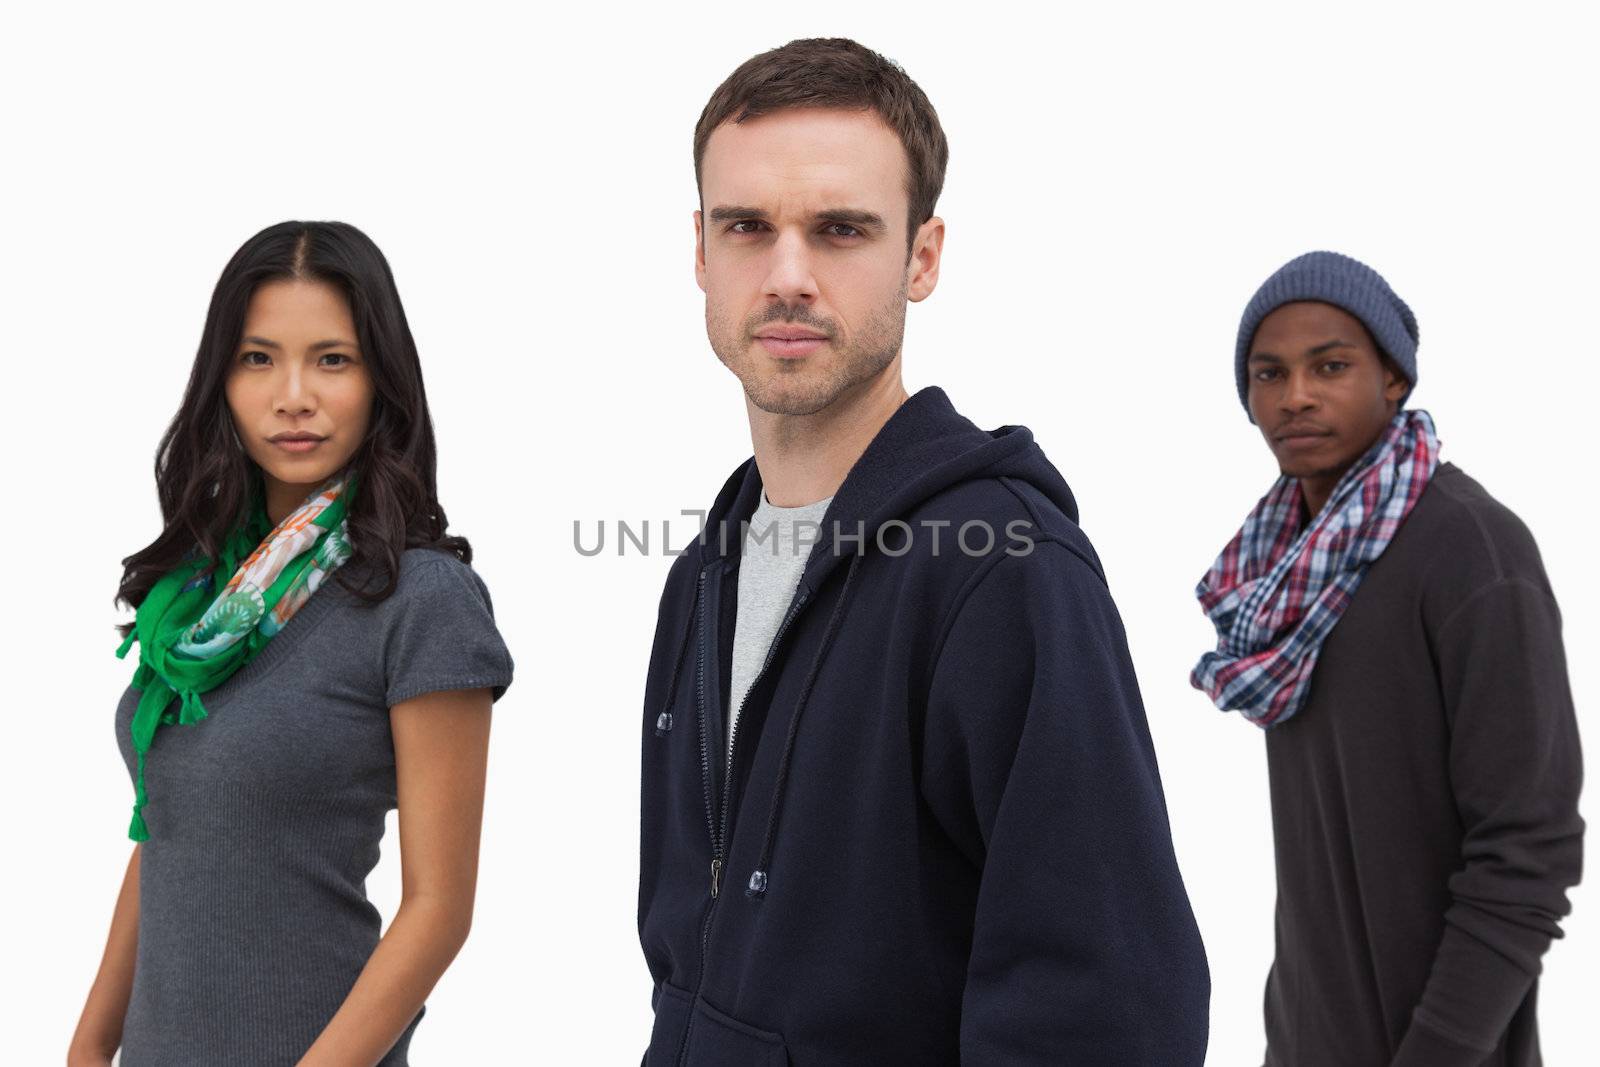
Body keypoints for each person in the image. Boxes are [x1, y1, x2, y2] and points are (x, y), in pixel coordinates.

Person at [638, 38, 1209, 1064]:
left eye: (840, 229)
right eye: (747, 227)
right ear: (699, 251)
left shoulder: (1004, 572)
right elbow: (692, 957)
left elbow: (1110, 1016)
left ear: (923, 255)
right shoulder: (703, 575)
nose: (788, 275)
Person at [67, 221, 515, 1066]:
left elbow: (438, 910)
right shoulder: (199, 598)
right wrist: (90, 1043)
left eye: (333, 359)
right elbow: (168, 833)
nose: (294, 395)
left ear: (382, 379)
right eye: (258, 357)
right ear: (222, 381)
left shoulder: (423, 600)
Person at [1191, 250, 1584, 1066]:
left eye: (1330, 365)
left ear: (1395, 379)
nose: (1295, 395)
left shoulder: (1472, 552)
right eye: (1269, 373)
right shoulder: (1284, 577)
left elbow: (1527, 854)